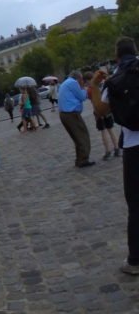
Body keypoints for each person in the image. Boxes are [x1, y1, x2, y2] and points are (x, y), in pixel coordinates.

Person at [91, 37, 139, 275]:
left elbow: (100, 111)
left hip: (134, 145)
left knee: (136, 205)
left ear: (117, 57)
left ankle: (135, 261)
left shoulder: (115, 80)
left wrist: (93, 86)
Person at [58, 69, 94, 168]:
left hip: (64, 114)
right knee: (82, 135)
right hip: (71, 114)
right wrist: (83, 87)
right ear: (79, 78)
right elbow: (82, 97)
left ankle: (79, 159)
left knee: (77, 137)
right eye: (81, 79)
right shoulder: (73, 83)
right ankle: (83, 160)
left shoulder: (65, 83)